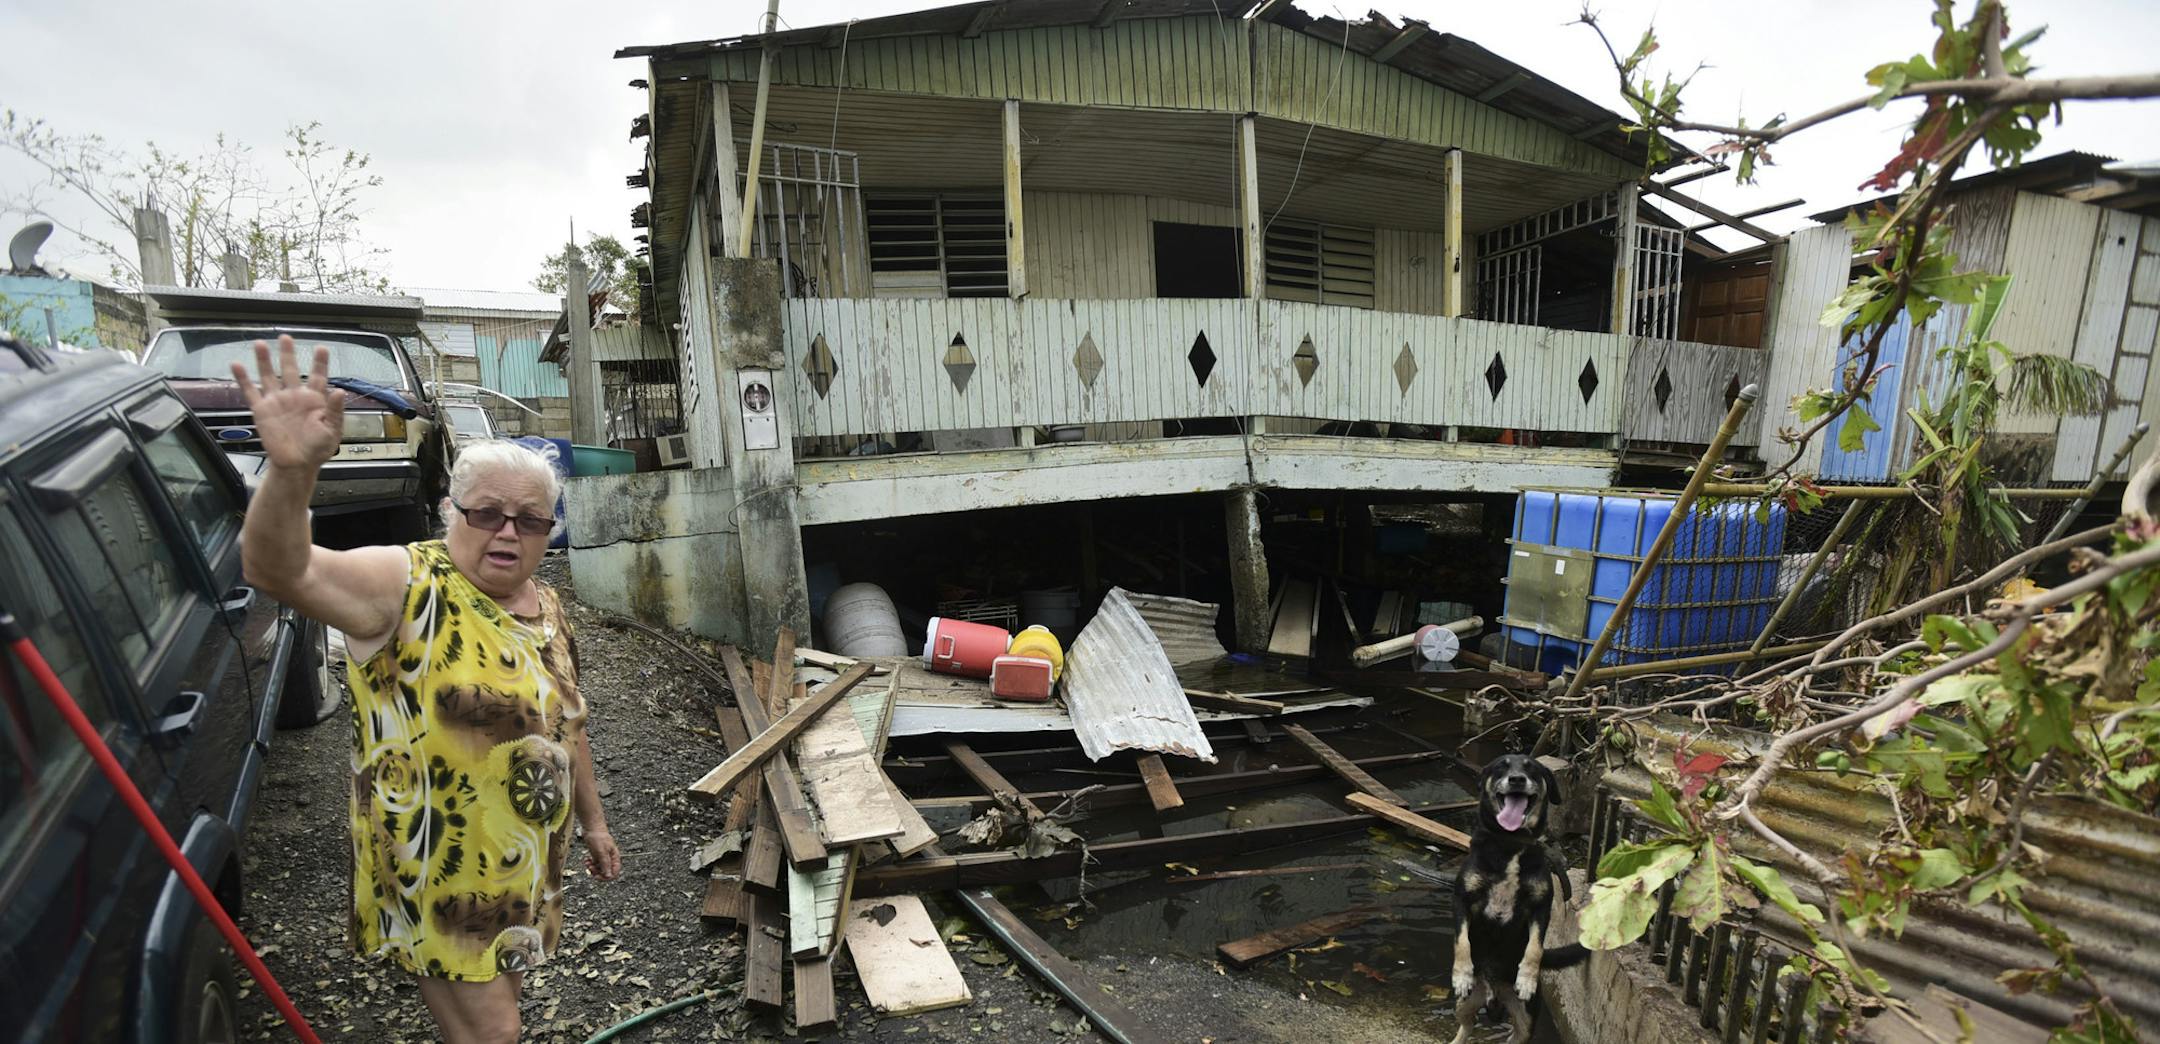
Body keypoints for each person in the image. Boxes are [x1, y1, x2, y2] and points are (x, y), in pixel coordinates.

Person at [235, 336, 621, 1044]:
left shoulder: (546, 605)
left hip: (520, 867)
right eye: (487, 514)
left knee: (488, 1012)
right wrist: (292, 475)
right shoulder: (406, 585)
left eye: (531, 520)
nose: (509, 531)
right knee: (494, 1033)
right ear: (451, 511)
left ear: (548, 532)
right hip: (438, 873)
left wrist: (593, 823)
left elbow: (569, 724)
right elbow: (275, 568)